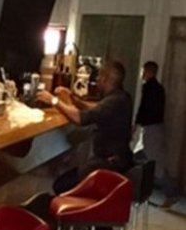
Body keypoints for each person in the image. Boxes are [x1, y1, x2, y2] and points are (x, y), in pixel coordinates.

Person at [37, 59, 134, 194]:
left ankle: (68, 206)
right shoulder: (122, 97)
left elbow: (80, 119)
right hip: (117, 161)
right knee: (67, 178)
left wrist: (53, 100)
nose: (97, 79)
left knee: (60, 185)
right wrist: (75, 99)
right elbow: (97, 108)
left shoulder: (114, 101)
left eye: (99, 76)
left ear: (105, 79)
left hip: (108, 165)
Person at [134, 60, 179, 208]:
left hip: (151, 129)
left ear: (148, 71)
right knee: (142, 157)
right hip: (155, 128)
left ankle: (171, 193)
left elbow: (143, 108)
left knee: (155, 164)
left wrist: (136, 125)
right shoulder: (159, 89)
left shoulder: (148, 88)